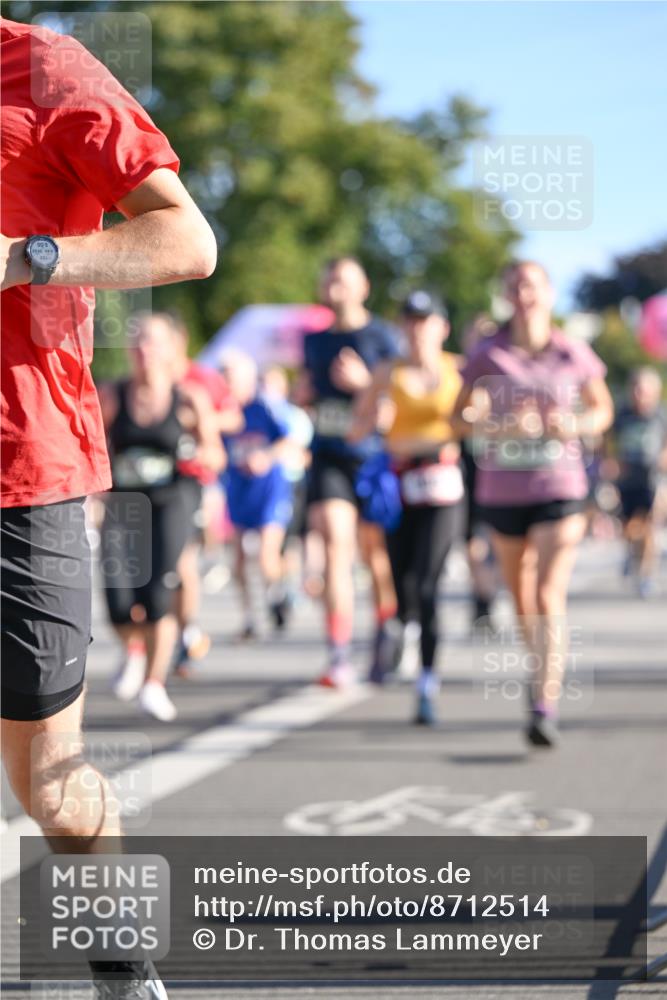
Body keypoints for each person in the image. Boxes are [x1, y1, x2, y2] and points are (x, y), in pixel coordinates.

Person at [1, 17, 215, 997]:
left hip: (23, 473)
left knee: (50, 784)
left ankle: (123, 968)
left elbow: (187, 239)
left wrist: (25, 257)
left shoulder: (44, 67)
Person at [452, 261, 614, 748]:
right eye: (515, 286)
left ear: (549, 293)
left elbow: (602, 411)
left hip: (558, 485)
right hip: (502, 489)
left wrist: (574, 425)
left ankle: (545, 702)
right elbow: (457, 419)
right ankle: (540, 664)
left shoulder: (572, 351)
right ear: (505, 295)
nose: (524, 294)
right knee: (521, 596)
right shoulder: (487, 354)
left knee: (547, 594)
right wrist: (498, 426)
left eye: (532, 286)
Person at [99, 313, 224, 720]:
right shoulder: (113, 395)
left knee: (157, 593)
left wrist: (198, 454)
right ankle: (133, 649)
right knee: (118, 600)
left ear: (172, 348)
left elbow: (216, 453)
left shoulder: (188, 399)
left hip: (171, 500)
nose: (143, 348)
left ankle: (154, 682)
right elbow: (94, 447)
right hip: (123, 504)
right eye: (136, 339)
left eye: (152, 340)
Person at [352, 291, 465, 724]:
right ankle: (401, 634)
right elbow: (355, 429)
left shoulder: (459, 371)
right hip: (398, 484)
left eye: (425, 320)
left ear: (442, 327)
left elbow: (476, 421)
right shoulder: (387, 372)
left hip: (442, 483)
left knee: (427, 582)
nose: (417, 330)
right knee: (401, 585)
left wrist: (471, 419)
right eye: (410, 321)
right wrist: (374, 422)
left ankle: (427, 682)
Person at [298, 257, 401, 687]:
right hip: (328, 453)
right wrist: (302, 395)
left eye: (342, 280)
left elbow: (400, 401)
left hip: (372, 457)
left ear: (364, 287)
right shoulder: (314, 340)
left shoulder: (383, 337)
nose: (334, 287)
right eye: (328, 279)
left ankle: (387, 631)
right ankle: (338, 654)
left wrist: (364, 385)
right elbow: (309, 393)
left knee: (376, 557)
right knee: (335, 546)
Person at [169, 311, 241, 674]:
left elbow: (234, 417)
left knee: (182, 560)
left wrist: (199, 419)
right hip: (149, 482)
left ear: (179, 340)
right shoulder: (142, 381)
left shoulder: (202, 378)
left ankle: (186, 633)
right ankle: (148, 639)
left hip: (192, 477)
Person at [220, 351, 293, 638]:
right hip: (238, 491)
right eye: (224, 378)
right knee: (237, 561)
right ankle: (250, 618)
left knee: (266, 556)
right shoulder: (224, 413)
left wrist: (266, 456)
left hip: (269, 491)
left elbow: (289, 441)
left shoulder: (264, 407)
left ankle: (278, 591)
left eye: (231, 379)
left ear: (247, 380)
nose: (227, 385)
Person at [609, 367, 667, 596]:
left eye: (643, 389)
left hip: (653, 478)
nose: (638, 394)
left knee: (650, 525)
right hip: (627, 479)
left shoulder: (661, 415)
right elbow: (609, 441)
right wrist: (611, 461)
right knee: (630, 528)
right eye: (635, 388)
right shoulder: (622, 415)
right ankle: (631, 553)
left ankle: (645, 575)